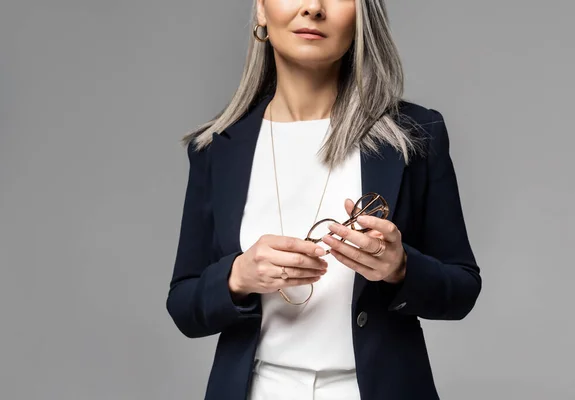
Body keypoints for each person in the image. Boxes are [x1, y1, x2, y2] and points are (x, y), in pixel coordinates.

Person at [166, 1, 482, 399]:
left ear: (362, 15)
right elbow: (183, 304)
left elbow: (462, 288)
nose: (313, 8)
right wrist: (238, 276)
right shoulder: (216, 148)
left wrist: (400, 268)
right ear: (261, 11)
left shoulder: (415, 135)